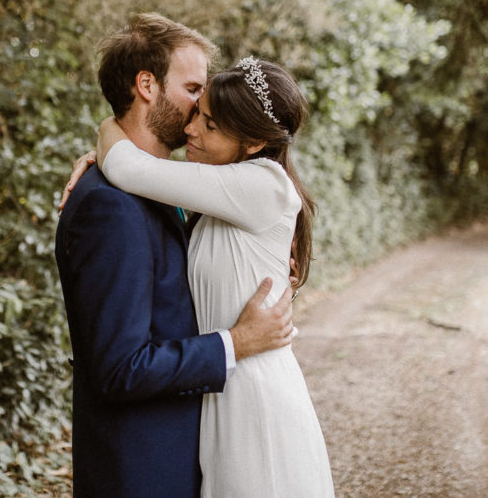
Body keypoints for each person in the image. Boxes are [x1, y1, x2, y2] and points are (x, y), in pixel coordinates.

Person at [54, 14, 296, 498]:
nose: (200, 107)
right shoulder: (110, 205)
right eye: (192, 89)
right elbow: (120, 366)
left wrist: (105, 141)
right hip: (141, 470)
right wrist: (236, 342)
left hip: (197, 446)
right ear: (146, 85)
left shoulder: (169, 189)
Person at [91, 56, 334, 498]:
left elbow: (128, 169)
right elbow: (137, 176)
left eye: (212, 126)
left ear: (256, 141)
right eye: (198, 114)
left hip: (256, 398)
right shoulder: (219, 193)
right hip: (220, 387)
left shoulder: (262, 185)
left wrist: (109, 128)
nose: (191, 130)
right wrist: (99, 158)